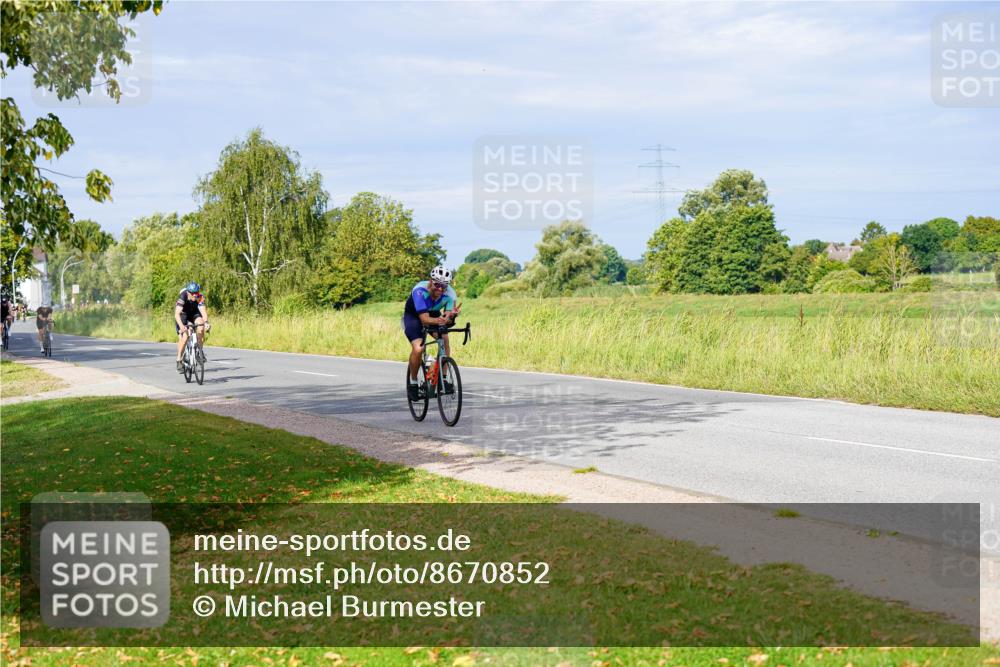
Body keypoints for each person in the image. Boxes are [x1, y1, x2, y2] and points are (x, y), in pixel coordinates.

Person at [402, 266, 461, 400]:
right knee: (418, 348)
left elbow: (447, 318)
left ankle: (443, 380)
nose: (440, 289)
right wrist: (440, 320)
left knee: (445, 339)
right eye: (437, 285)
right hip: (414, 317)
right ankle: (413, 383)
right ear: (431, 281)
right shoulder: (419, 291)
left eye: (444, 286)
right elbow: (424, 319)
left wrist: (452, 316)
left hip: (433, 314)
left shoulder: (450, 294)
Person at [174, 282, 210, 372]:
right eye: (193, 293)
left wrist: (206, 323)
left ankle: (199, 352)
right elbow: (177, 314)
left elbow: (203, 312)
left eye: (196, 293)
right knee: (185, 336)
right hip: (184, 314)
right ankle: (179, 360)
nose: (195, 295)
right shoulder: (183, 296)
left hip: (194, 313)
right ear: (188, 292)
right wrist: (182, 326)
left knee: (201, 327)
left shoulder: (200, 297)